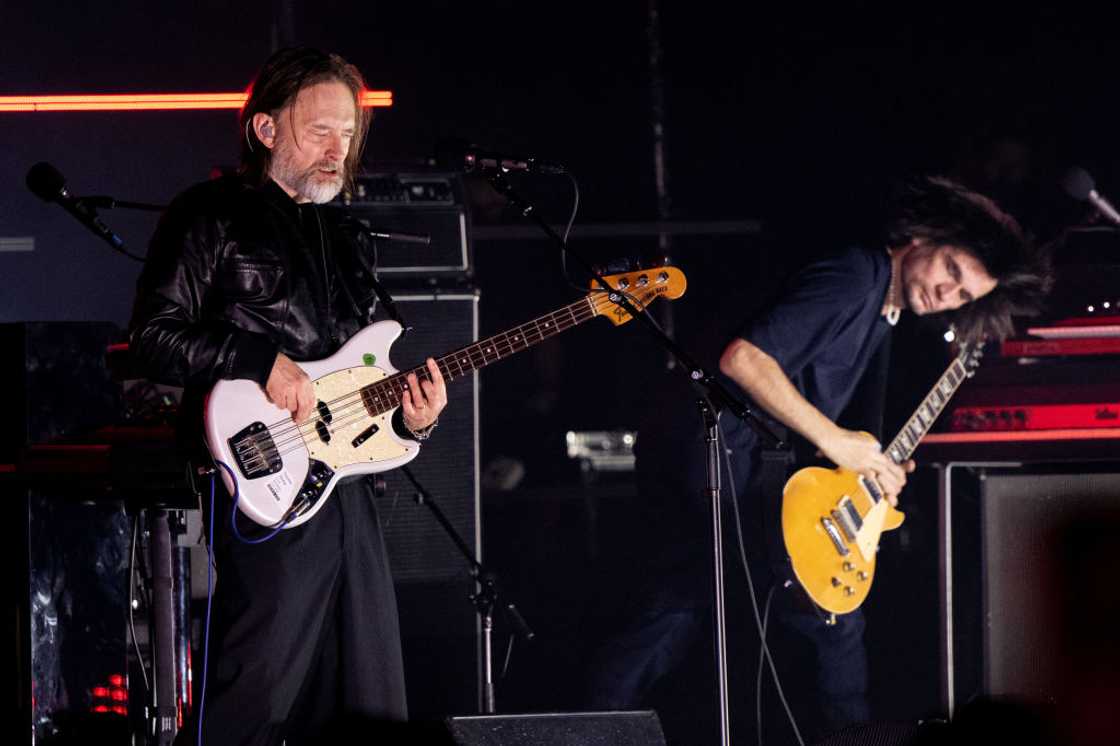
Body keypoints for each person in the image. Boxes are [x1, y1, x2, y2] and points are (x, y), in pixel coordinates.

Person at [585, 177, 1051, 740]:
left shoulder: (885, 310)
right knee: (729, 614)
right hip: (713, 461)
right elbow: (745, 360)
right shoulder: (855, 276)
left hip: (739, 466)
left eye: (962, 297)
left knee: (690, 615)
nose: (946, 295)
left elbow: (806, 402)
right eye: (950, 272)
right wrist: (836, 441)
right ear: (925, 236)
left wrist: (871, 465)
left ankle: (590, 723)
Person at [129, 47, 447, 744]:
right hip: (260, 472)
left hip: (346, 485)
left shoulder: (348, 237)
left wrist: (410, 418)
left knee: (368, 695)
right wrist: (255, 360)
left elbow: (358, 374)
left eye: (348, 134)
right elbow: (153, 336)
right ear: (266, 130)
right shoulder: (210, 214)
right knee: (255, 686)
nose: (338, 151)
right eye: (319, 132)